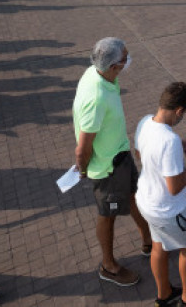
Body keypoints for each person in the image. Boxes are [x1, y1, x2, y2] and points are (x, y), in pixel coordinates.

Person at [73, 38, 153, 288]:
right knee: (107, 215)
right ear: (113, 66)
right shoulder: (96, 97)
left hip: (121, 156)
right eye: (125, 58)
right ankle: (108, 266)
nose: (129, 61)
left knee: (135, 197)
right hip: (107, 170)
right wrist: (84, 169)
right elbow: (83, 147)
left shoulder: (100, 75)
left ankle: (149, 239)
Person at [135, 82, 186, 307]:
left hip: (146, 200)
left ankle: (164, 294)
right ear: (179, 110)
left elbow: (139, 154)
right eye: (185, 113)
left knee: (159, 245)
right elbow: (175, 187)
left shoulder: (145, 121)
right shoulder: (169, 140)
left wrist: (177, 146)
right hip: (167, 209)